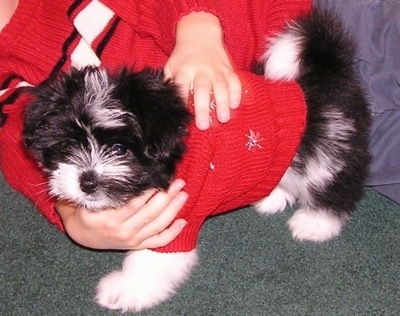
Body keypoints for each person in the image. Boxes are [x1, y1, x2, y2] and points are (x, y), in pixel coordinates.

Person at [0, 0, 311, 250]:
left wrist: (197, 26)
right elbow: (21, 145)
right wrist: (74, 217)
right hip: (261, 134)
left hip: (285, 33)